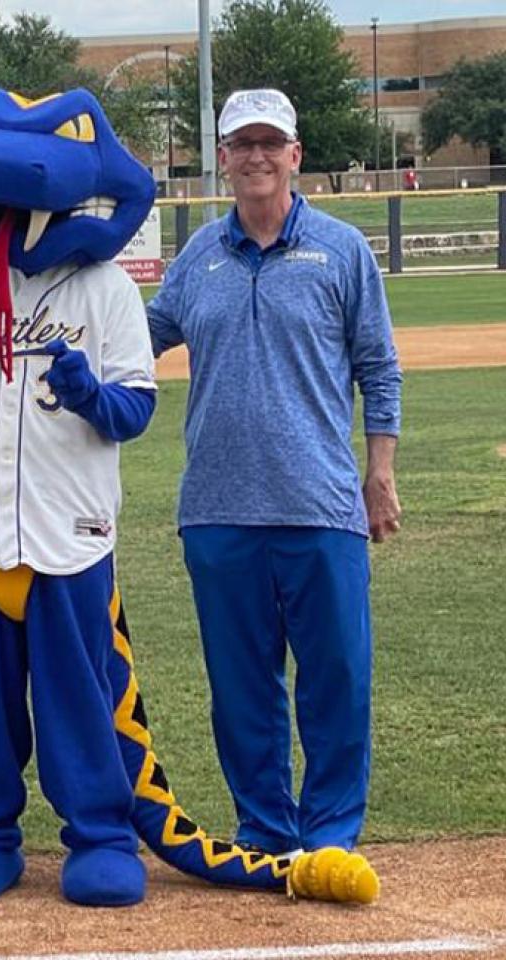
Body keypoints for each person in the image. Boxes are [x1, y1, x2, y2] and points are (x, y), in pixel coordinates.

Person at [0, 85, 159, 907]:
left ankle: (100, 834)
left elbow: (138, 409)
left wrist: (91, 394)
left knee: (79, 699)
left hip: (72, 530)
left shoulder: (109, 290)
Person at [146, 89, 402, 858]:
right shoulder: (198, 258)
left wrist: (379, 474)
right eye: (241, 143)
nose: (256, 155)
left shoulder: (342, 249)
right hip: (218, 511)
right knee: (243, 693)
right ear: (221, 158)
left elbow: (378, 368)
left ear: (295, 154)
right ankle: (265, 830)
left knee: (337, 685)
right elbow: (138, 340)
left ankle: (329, 837)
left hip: (321, 507)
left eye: (271, 142)